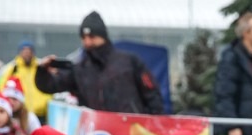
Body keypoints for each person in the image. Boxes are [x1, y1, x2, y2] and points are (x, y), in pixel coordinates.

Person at [35, 11, 164, 115]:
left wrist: (152, 124)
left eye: (92, 37)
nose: (87, 42)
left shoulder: (129, 61)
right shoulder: (80, 69)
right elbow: (50, 86)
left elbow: (152, 94)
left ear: (103, 37)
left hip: (130, 133)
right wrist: (42, 71)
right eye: (83, 38)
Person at [0, 40, 52, 123]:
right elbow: (2, 87)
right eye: (24, 51)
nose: (27, 54)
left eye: (29, 51)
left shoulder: (39, 68)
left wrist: (45, 103)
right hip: (21, 112)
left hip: (40, 112)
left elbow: (49, 86)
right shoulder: (13, 69)